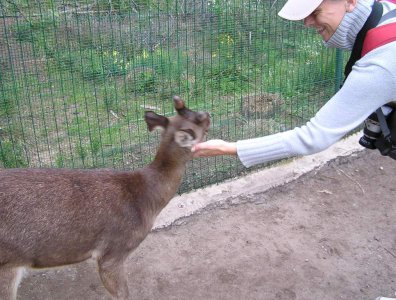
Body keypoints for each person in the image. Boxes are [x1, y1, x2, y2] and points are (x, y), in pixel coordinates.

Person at [191, 0, 396, 169]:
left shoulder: (380, 62)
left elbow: (314, 136)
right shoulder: (385, 12)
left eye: (315, 12)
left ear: (350, 2)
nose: (307, 22)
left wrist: (229, 148)